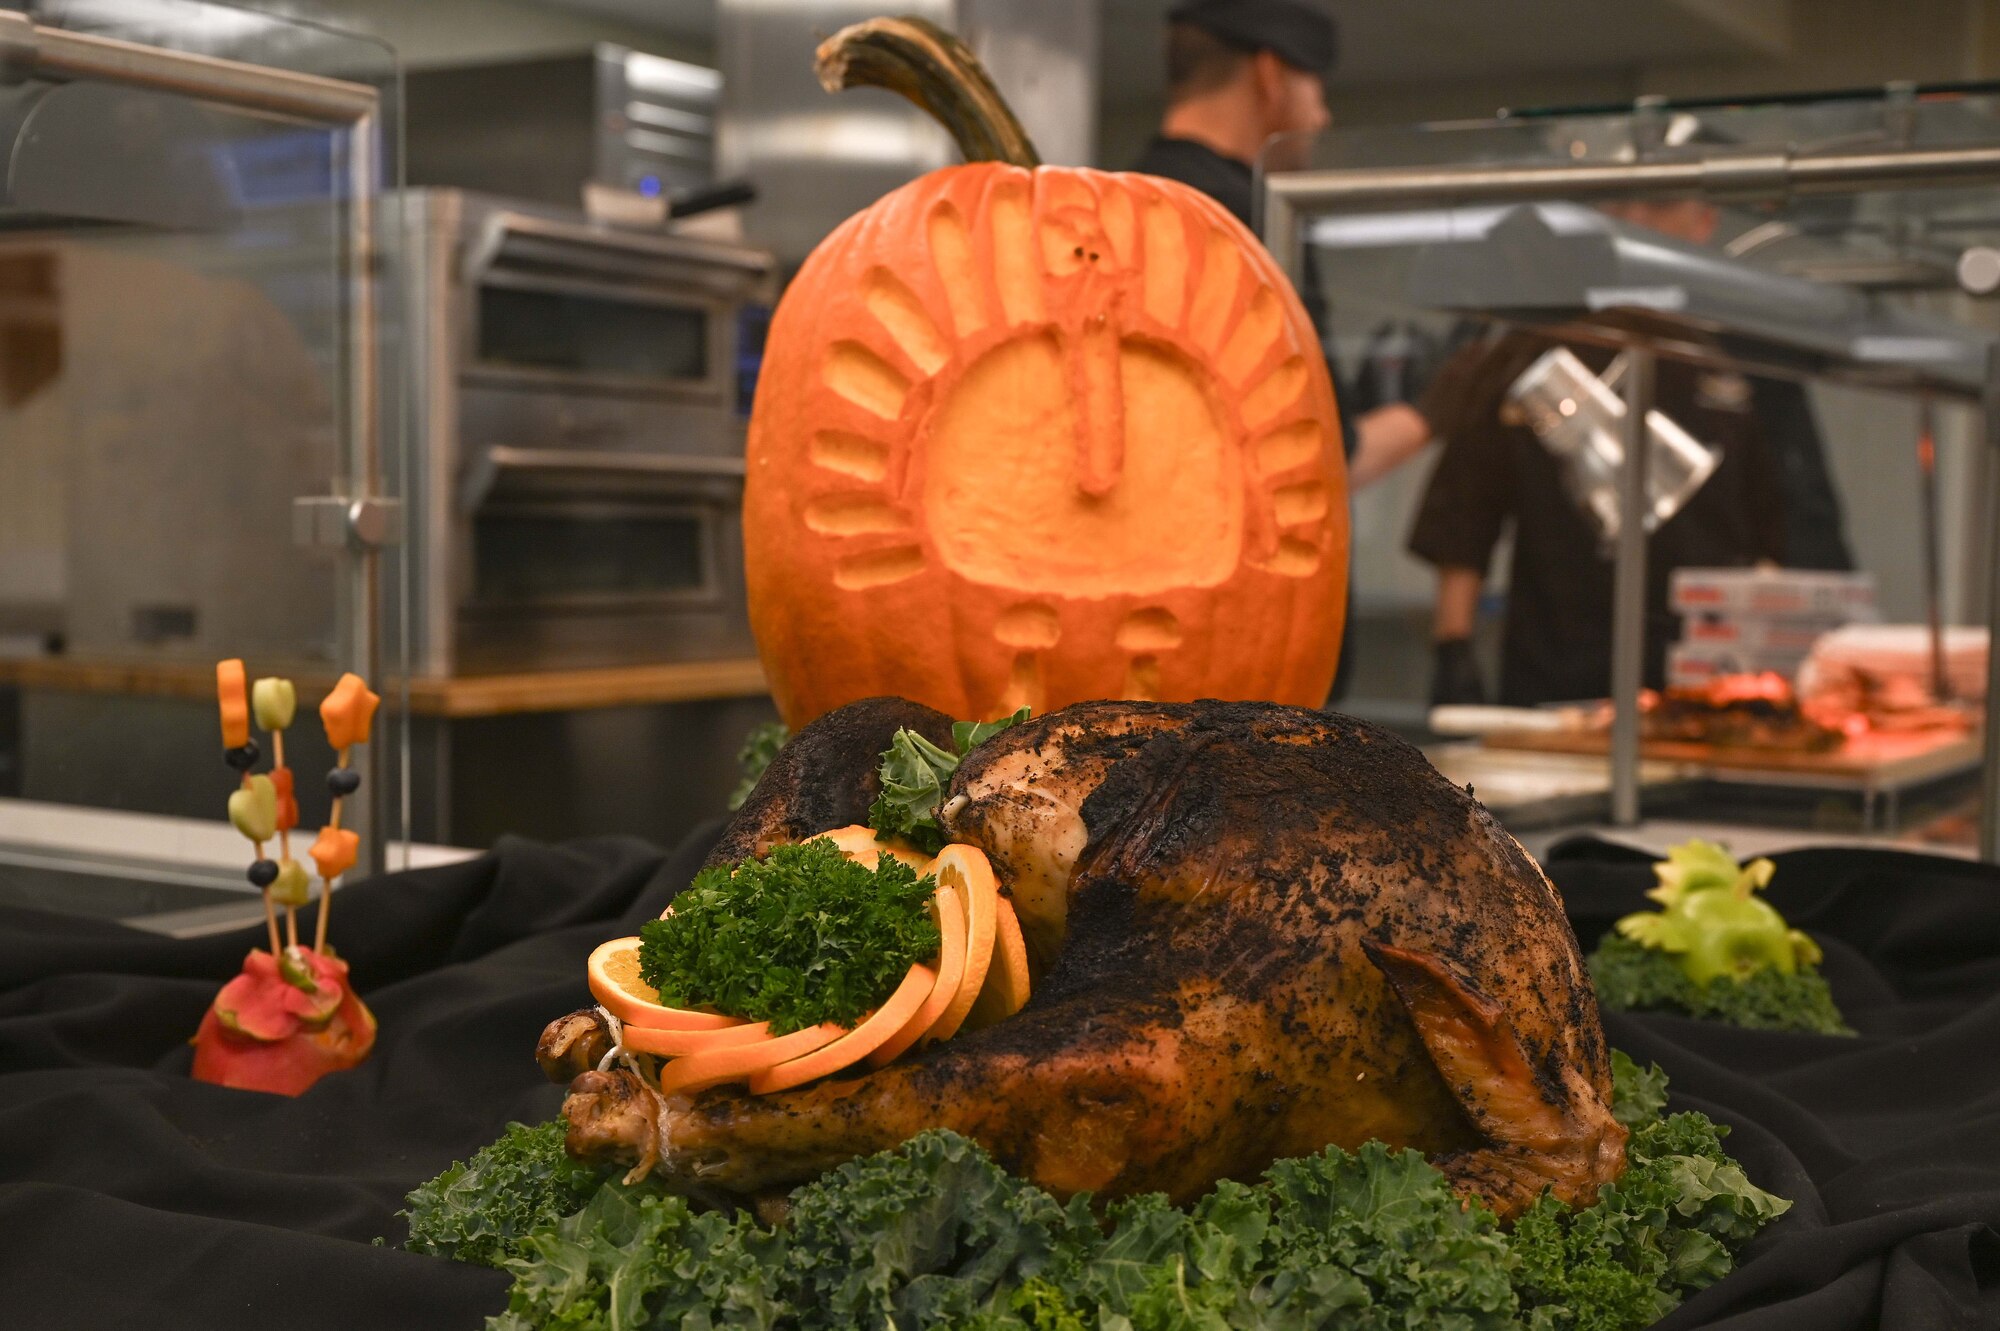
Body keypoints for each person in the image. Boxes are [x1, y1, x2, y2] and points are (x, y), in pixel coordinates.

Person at [1407, 200, 1855, 709]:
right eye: (1622, 204)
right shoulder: (1534, 353)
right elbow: (1465, 519)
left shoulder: (1744, 359)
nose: (1638, 221)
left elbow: (1784, 529)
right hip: (1557, 673)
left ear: (1703, 221)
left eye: (1660, 205)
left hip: (1708, 677)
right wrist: (1453, 649)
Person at [1132, 0, 1434, 489]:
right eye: (1315, 87)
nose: (1321, 117)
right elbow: (1326, 456)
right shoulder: (1259, 220)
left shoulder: (1126, 198)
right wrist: (1440, 405)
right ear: (1270, 76)